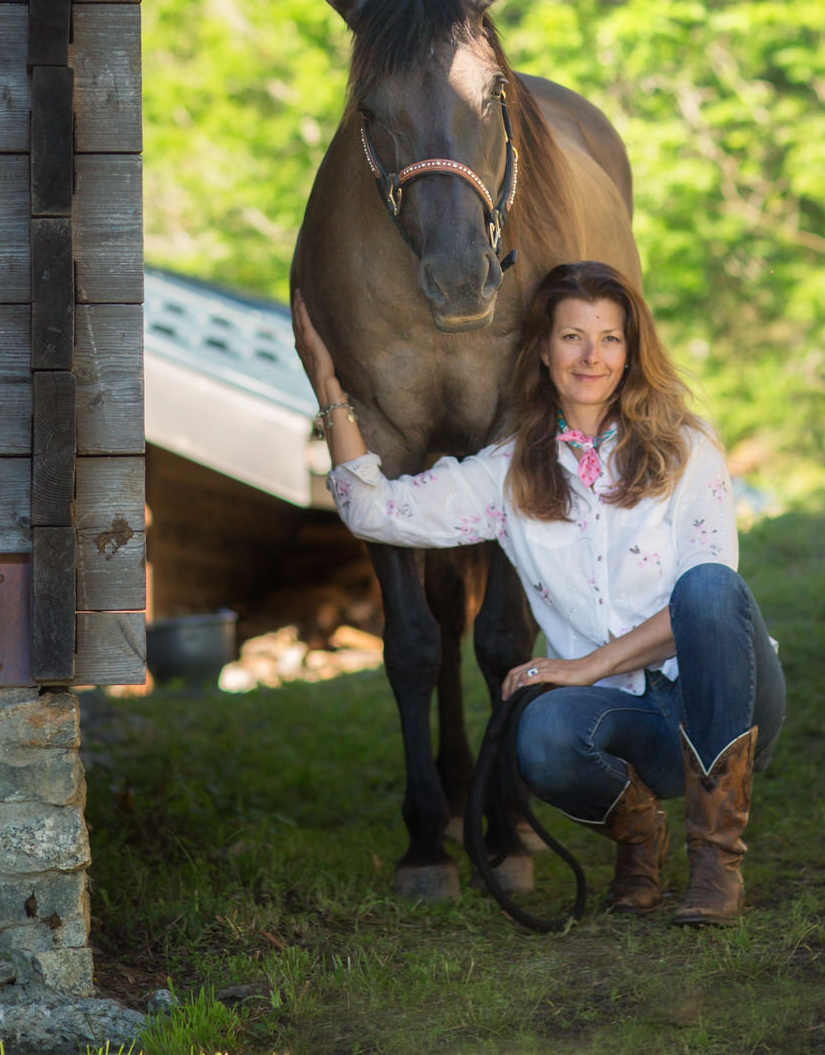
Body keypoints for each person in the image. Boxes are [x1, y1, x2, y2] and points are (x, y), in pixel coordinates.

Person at [293, 261, 785, 925]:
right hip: (629, 723)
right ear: (543, 351)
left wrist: (585, 666)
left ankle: (716, 866)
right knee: (543, 734)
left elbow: (708, 602)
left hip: (728, 700)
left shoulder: (687, 448)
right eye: (573, 337)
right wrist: (329, 386)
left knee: (707, 587)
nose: (593, 356)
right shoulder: (510, 471)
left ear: (631, 350)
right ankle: (641, 845)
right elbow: (371, 512)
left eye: (610, 338)